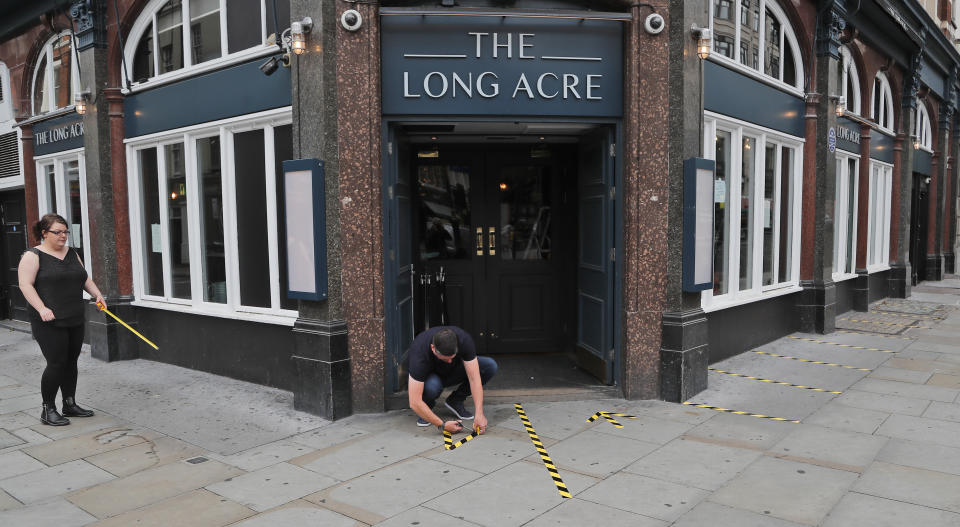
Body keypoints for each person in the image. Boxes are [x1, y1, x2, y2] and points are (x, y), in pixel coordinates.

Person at [18, 213, 106, 426]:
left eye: (66, 231)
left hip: (74, 315)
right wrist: (41, 308)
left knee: (71, 362)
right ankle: (48, 410)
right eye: (58, 232)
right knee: (56, 363)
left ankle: (69, 403)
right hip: (49, 320)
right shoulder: (32, 256)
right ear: (44, 233)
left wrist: (97, 294)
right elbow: (25, 285)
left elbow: (84, 277)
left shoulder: (72, 253)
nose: (63, 236)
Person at [405, 326, 497, 435]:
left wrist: (479, 414)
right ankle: (427, 409)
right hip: (432, 378)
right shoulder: (419, 353)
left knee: (490, 366)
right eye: (445, 358)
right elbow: (414, 402)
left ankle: (455, 400)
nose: (449, 361)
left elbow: (474, 379)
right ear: (433, 348)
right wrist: (442, 425)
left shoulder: (464, 339)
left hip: (454, 371)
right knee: (432, 387)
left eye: (452, 357)